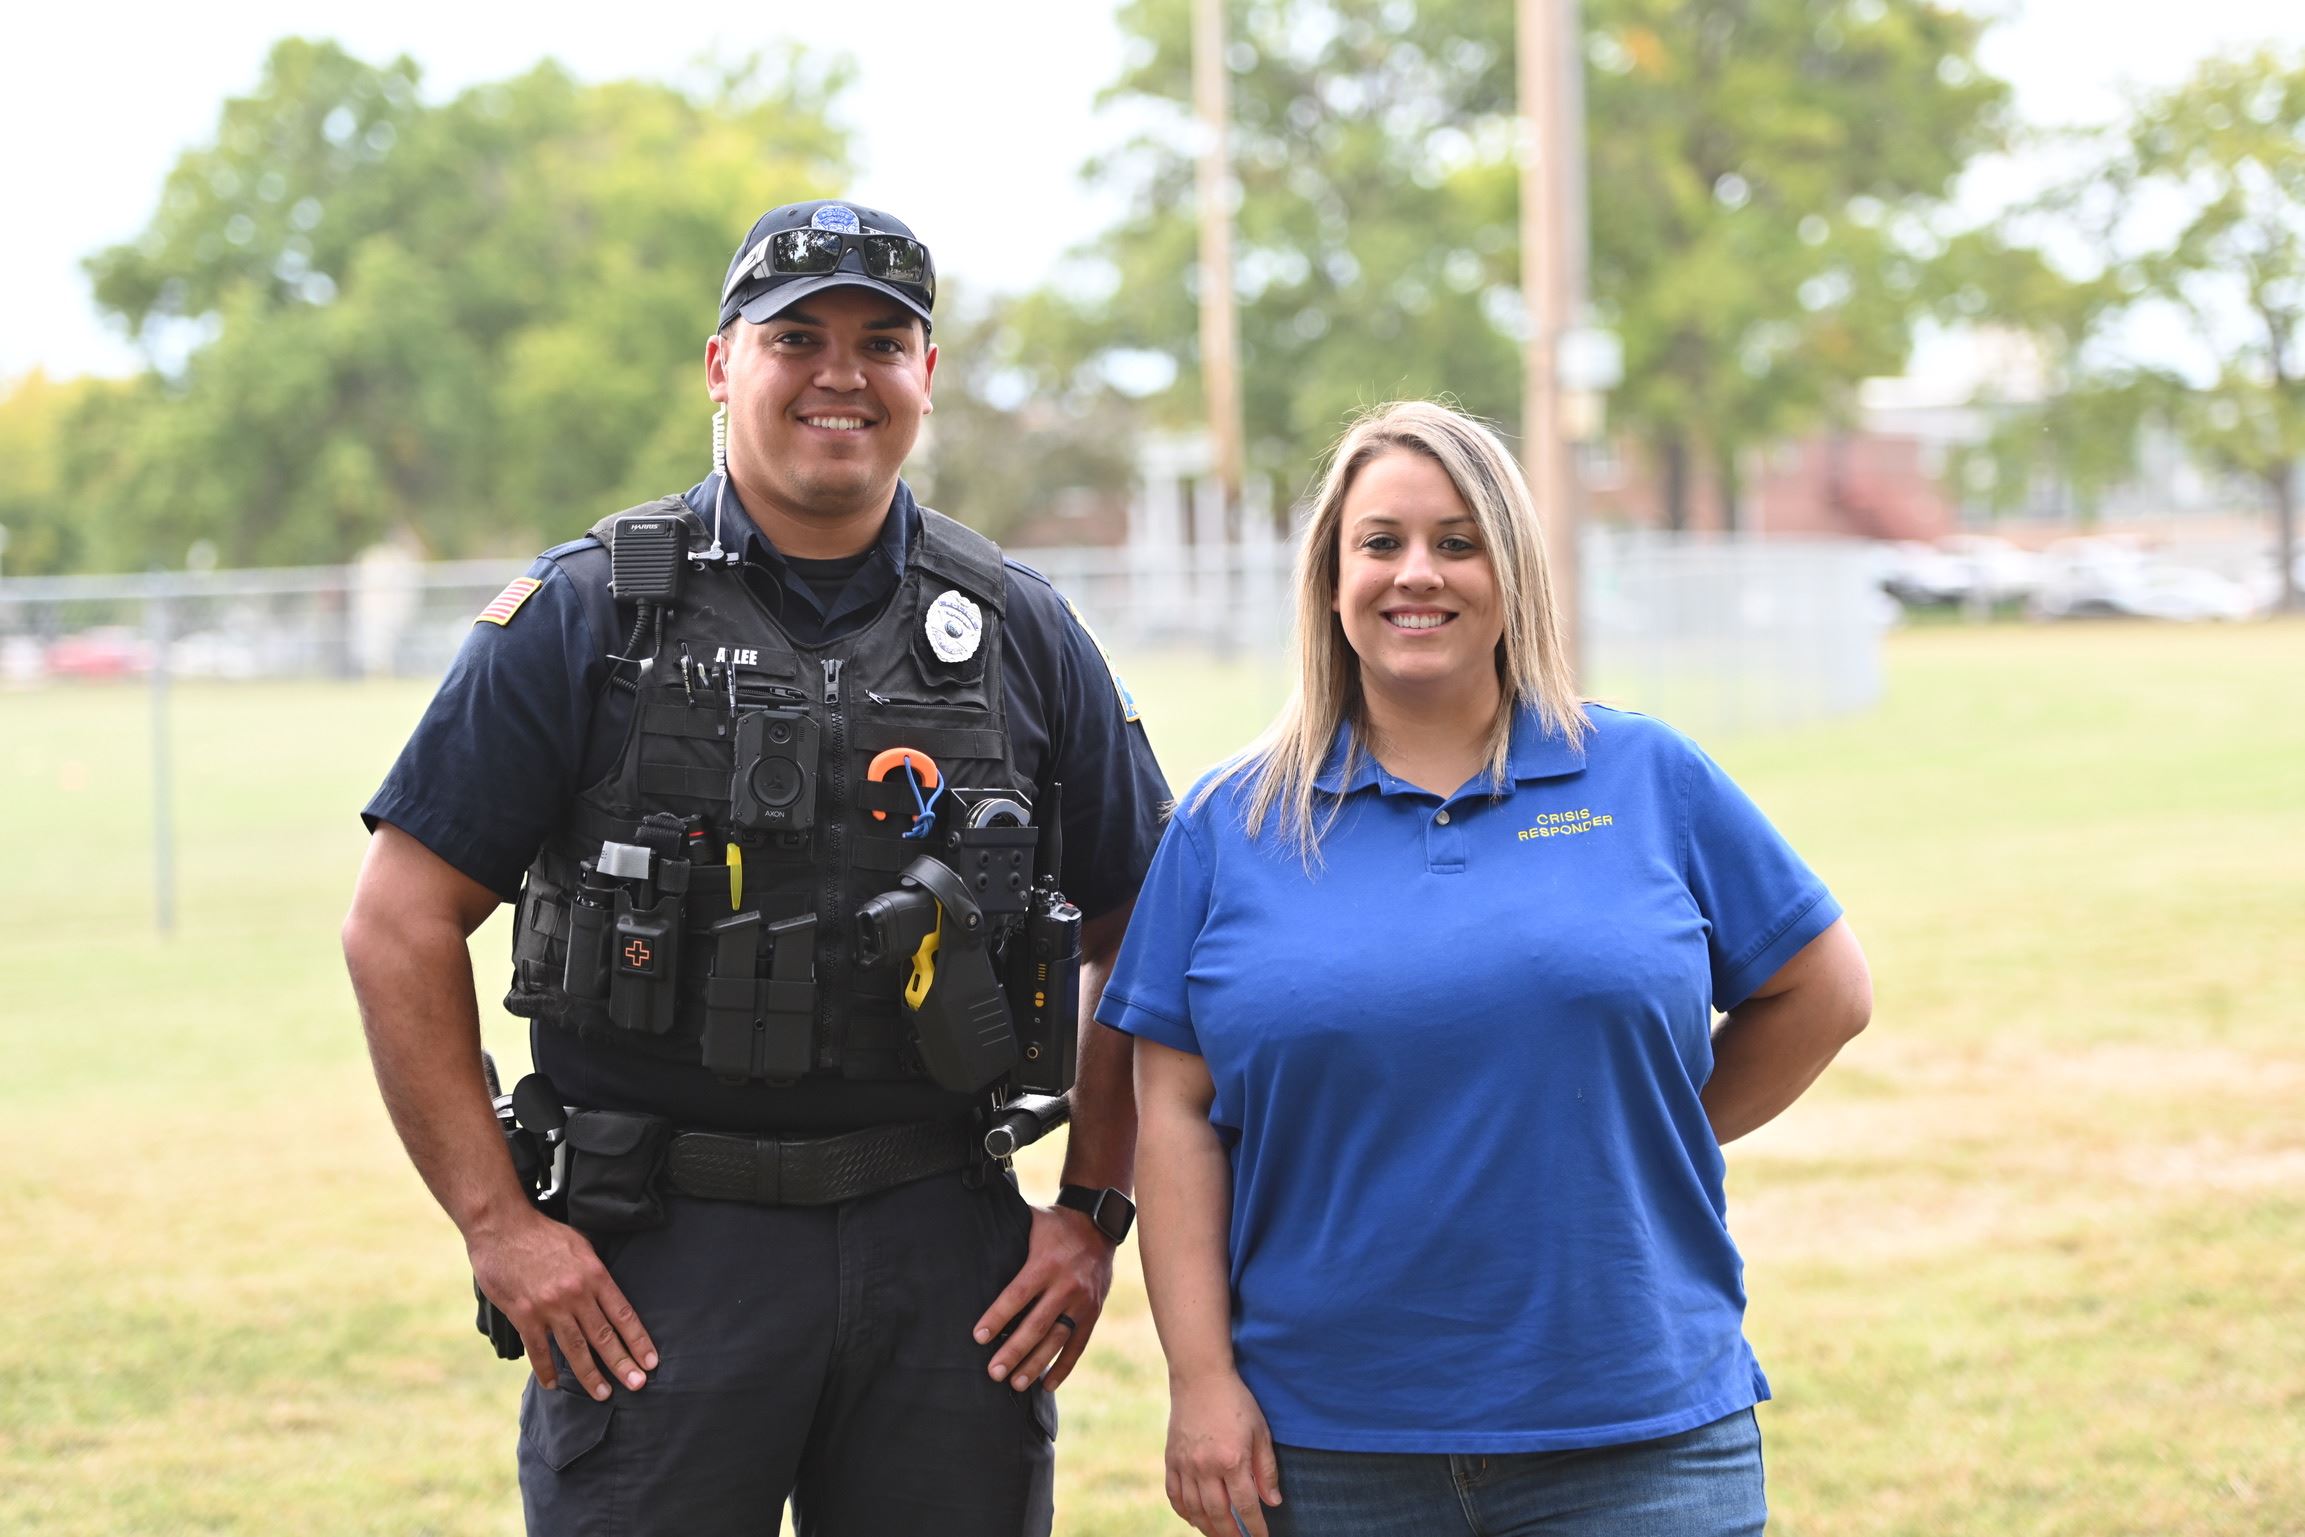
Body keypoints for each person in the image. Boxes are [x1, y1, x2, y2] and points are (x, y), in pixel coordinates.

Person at [341, 198, 1167, 1537]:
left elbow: (1143, 929)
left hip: (943, 1245)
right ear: (724, 364)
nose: (842, 374)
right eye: (799, 337)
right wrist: (498, 1225)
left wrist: (1090, 1209)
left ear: (927, 377)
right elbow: (397, 922)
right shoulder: (586, 614)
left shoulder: (1020, 628)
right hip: (659, 1257)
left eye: (882, 341)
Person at [1098, 400, 1873, 1537]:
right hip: (1327, 1446)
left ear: (1513, 573)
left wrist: (1647, 1128)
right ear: (1329, 578)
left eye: (1458, 542)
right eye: (1382, 542)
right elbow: (1169, 1109)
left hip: (1638, 1435)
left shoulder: (1646, 774)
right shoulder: (1229, 821)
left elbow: (1826, 992)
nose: (1420, 573)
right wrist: (1201, 1381)